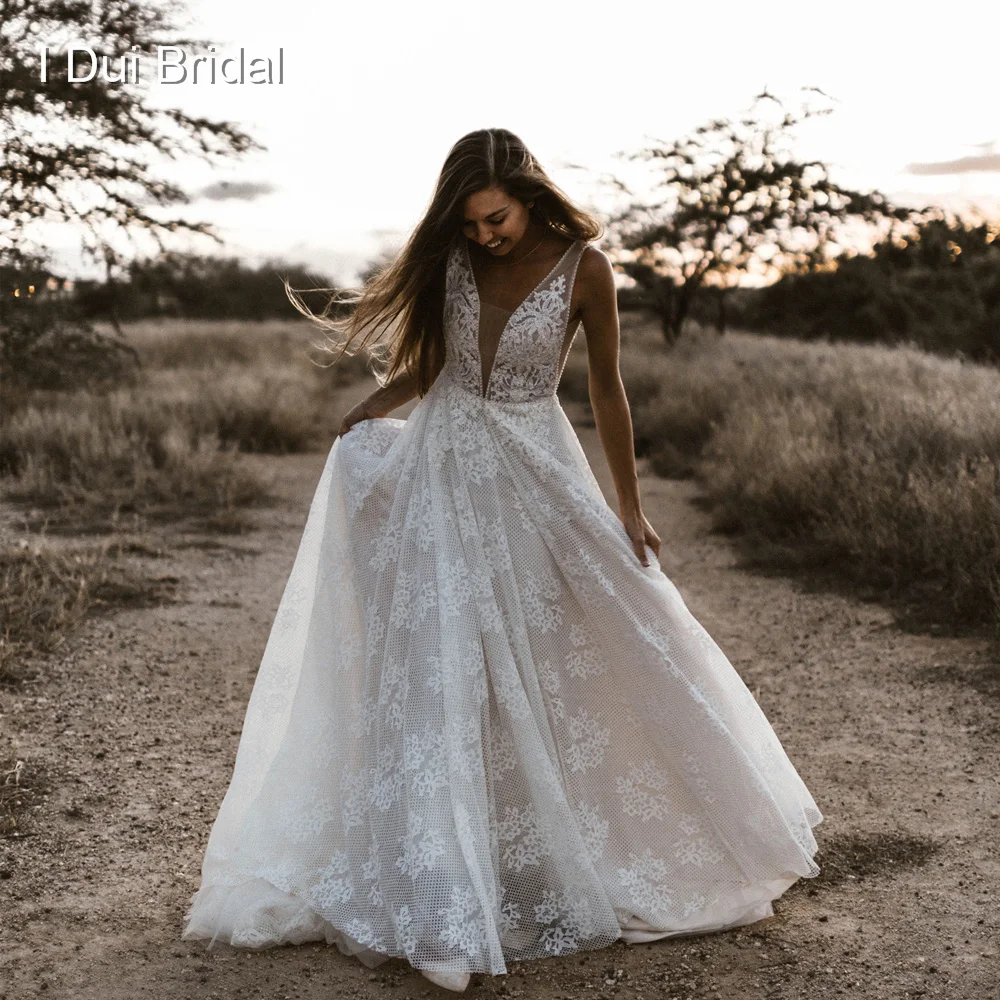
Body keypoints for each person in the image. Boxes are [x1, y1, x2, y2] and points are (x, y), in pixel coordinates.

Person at [181, 128, 821, 993]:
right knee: (437, 667)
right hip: (442, 466)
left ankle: (551, 855)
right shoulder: (454, 257)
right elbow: (433, 366)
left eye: (497, 219)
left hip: (534, 468)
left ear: (528, 194)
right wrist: (373, 404)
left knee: (564, 653)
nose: (486, 236)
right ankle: (441, 897)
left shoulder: (586, 269)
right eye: (473, 223)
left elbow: (606, 390)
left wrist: (628, 506)